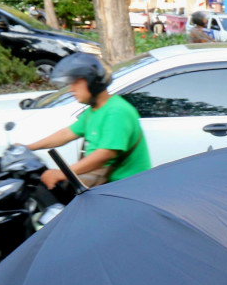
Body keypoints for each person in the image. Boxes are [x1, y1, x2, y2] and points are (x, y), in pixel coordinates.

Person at [26, 53, 151, 195]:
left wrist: (63, 173)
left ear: (93, 82)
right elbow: (66, 134)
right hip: (106, 187)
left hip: (126, 192)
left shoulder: (117, 111)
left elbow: (105, 154)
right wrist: (29, 147)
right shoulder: (95, 110)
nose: (71, 89)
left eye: (76, 83)